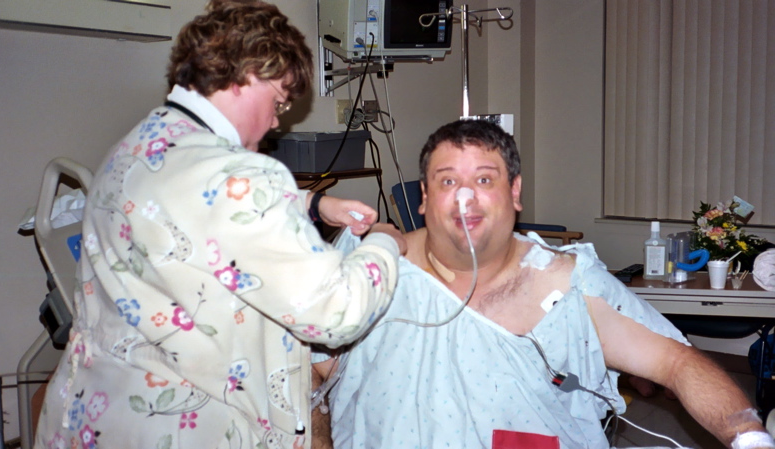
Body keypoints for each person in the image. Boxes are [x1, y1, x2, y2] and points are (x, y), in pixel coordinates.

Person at [33, 2, 406, 449]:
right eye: (280, 101)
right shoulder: (243, 176)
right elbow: (335, 313)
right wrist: (384, 246)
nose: (276, 120)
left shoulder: (138, 145)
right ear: (252, 72)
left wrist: (312, 205)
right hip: (183, 424)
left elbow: (186, 211)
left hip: (94, 412)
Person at [312, 120, 773, 449]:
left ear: (515, 192)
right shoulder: (371, 266)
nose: (465, 196)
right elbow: (310, 370)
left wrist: (750, 438)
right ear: (425, 196)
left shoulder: (565, 284)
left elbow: (677, 363)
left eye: (484, 179)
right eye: (448, 180)